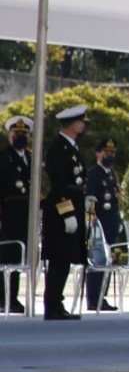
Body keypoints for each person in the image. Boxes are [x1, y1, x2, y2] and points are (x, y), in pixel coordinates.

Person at [42, 105, 90, 320]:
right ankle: (52, 306)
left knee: (65, 260)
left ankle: (57, 304)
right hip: (62, 211)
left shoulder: (71, 147)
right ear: (73, 124)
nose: (83, 125)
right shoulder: (58, 148)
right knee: (59, 259)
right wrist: (67, 212)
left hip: (75, 206)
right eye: (81, 122)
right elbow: (59, 185)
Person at [0, 116, 34, 314]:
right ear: (9, 136)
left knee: (21, 258)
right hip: (8, 213)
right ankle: (4, 297)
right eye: (16, 134)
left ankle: (14, 297)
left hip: (26, 214)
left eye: (23, 134)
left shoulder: (31, 158)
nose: (20, 137)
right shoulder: (4, 158)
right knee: (7, 257)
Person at [84, 138, 122, 312]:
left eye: (113, 153)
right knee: (97, 262)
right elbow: (89, 199)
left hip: (111, 224)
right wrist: (91, 224)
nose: (110, 155)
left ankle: (102, 297)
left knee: (107, 263)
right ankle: (93, 299)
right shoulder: (94, 173)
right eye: (106, 152)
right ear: (98, 153)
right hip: (97, 224)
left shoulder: (112, 174)